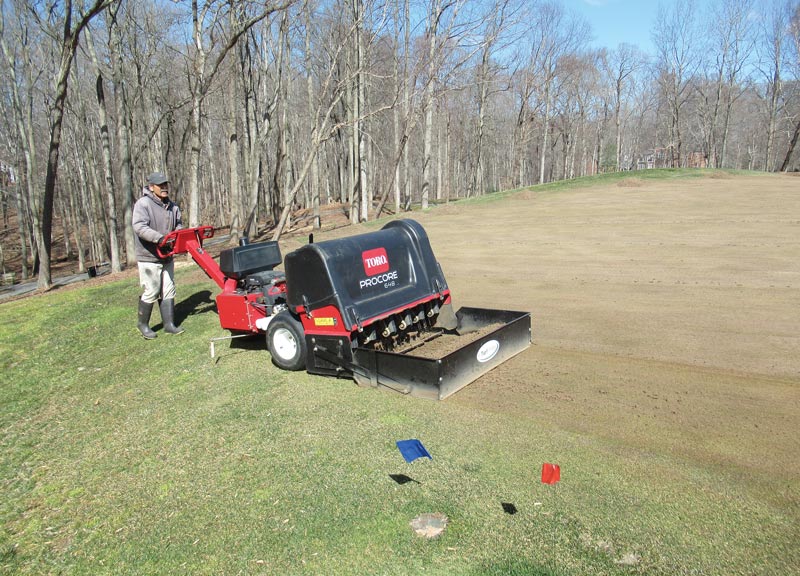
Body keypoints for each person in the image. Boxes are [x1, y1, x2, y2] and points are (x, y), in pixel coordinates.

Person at [132, 172, 184, 339]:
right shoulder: (143, 204)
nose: (164, 188)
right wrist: (159, 238)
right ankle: (143, 324)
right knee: (152, 290)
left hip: (167, 255)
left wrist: (177, 236)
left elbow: (179, 225)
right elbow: (139, 227)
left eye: (165, 185)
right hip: (149, 256)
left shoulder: (172, 206)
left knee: (168, 290)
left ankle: (169, 324)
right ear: (151, 187)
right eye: (160, 185)